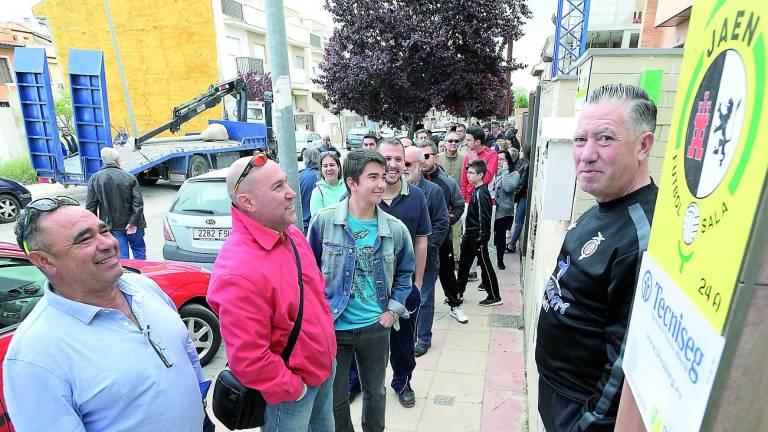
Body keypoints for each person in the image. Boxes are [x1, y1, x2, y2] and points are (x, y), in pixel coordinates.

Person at [5, 199, 209, 431]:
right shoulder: (33, 354)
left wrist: (201, 408)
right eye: (84, 239)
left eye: (104, 230)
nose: (108, 243)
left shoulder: (144, 287)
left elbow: (184, 348)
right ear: (44, 260)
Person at [535, 84, 659, 432]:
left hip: (580, 411)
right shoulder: (600, 208)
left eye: (604, 139)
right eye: (579, 140)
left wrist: (587, 424)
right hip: (556, 393)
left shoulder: (642, 236)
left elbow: (626, 358)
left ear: (643, 145)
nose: (587, 154)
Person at [207, 155, 337, 432]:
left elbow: (315, 297)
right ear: (247, 202)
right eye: (278, 187)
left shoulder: (290, 234)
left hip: (323, 370)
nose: (291, 192)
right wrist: (295, 389)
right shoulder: (238, 271)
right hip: (292, 393)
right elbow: (249, 359)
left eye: (286, 182)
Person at [307, 149, 415, 432]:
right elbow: (307, 275)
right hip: (334, 327)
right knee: (335, 395)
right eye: (373, 177)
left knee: (376, 392)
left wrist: (392, 311)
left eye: (382, 177)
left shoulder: (395, 229)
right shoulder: (324, 222)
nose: (382, 183)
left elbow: (406, 273)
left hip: (375, 326)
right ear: (352, 183)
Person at [403, 146, 449, 357]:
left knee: (425, 297)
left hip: (427, 257)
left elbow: (442, 223)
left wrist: (427, 248)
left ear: (421, 165)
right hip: (401, 259)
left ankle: (424, 339)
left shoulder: (434, 191)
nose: (403, 168)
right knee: (405, 297)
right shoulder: (393, 190)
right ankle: (408, 336)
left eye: (408, 164)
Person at [418, 140, 467, 324]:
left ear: (436, 158)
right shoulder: (410, 181)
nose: (422, 161)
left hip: (442, 240)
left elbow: (459, 205)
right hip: (418, 241)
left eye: (426, 156)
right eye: (419, 157)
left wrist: (448, 220)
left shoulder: (447, 182)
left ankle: (455, 305)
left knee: (447, 275)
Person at [85, 147, 147, 260]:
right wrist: (133, 222)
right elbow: (138, 203)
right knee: (139, 251)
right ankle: (141, 275)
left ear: (103, 161)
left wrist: (95, 228)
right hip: (134, 224)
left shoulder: (95, 179)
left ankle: (125, 276)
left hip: (112, 225)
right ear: (117, 160)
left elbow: (90, 207)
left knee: (122, 255)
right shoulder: (129, 177)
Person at [456, 159, 501, 306]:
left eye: (471, 173)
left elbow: (484, 219)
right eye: (467, 172)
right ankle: (458, 293)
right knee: (463, 266)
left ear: (480, 175)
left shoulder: (482, 193)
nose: (468, 175)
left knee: (486, 267)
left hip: (477, 238)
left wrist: (481, 239)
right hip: (470, 236)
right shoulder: (476, 191)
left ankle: (494, 296)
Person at [489, 149, 520, 270]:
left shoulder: (514, 174)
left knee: (500, 237)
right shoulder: (493, 171)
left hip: (504, 211)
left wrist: (505, 171)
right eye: (498, 159)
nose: (499, 161)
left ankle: (500, 260)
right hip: (492, 209)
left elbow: (508, 188)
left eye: (502, 159)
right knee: (490, 236)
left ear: (508, 161)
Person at [439, 131, 467, 261]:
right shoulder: (438, 158)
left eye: (456, 141)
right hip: (439, 201)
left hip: (457, 202)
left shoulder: (464, 159)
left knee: (456, 232)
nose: (453, 143)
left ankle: (456, 259)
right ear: (445, 143)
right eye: (450, 141)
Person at [507, 144, 529, 253]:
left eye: (522, 151)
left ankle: (512, 244)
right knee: (518, 220)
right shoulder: (523, 164)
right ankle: (512, 243)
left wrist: (515, 197)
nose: (520, 153)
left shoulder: (526, 166)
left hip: (524, 197)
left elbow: (522, 184)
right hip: (522, 197)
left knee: (519, 221)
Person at [299, 148, 322, 231]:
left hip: (303, 224)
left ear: (305, 160)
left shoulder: (299, 176)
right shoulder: (323, 176)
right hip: (318, 224)